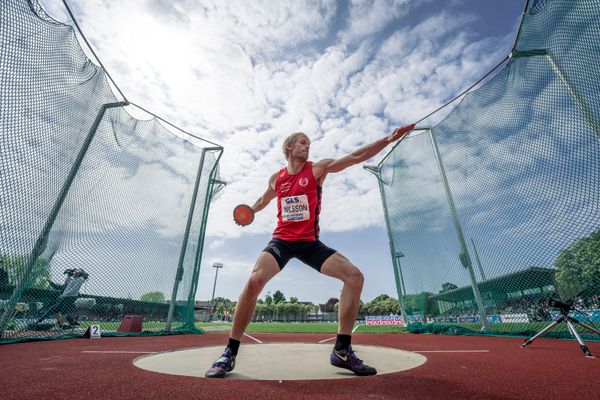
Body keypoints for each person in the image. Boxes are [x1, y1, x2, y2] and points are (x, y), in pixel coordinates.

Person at [205, 123, 415, 378]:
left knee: (354, 276)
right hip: (281, 241)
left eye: (309, 143)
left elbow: (355, 157)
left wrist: (389, 138)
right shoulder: (277, 178)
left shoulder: (317, 169)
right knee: (253, 281)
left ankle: (342, 350)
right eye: (303, 142)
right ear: (289, 147)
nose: (308, 146)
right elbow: (263, 200)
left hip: (309, 243)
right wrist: (249, 211)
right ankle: (229, 353)